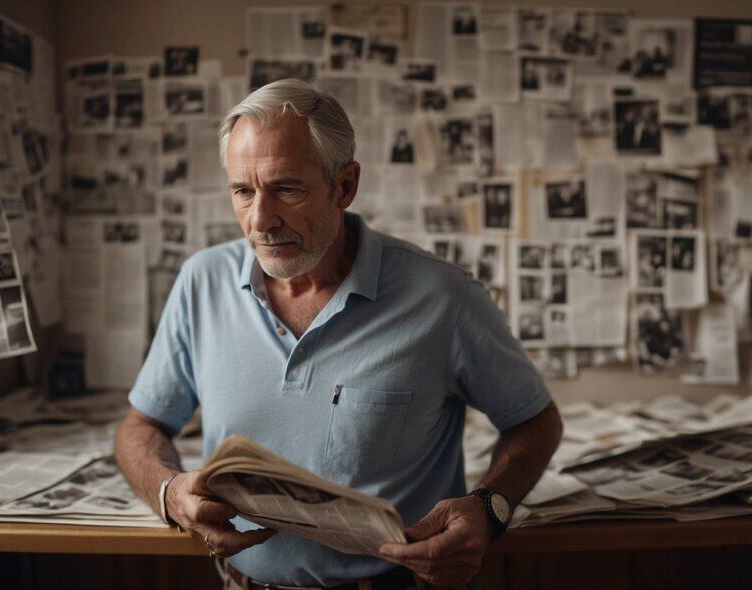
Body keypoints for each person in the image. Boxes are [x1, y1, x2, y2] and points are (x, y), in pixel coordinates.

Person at [115, 79, 563, 590]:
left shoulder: (445, 297)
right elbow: (141, 426)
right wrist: (169, 492)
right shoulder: (202, 282)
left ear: (344, 187)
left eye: (286, 188)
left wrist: (489, 507)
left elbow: (535, 422)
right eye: (242, 191)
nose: (260, 220)